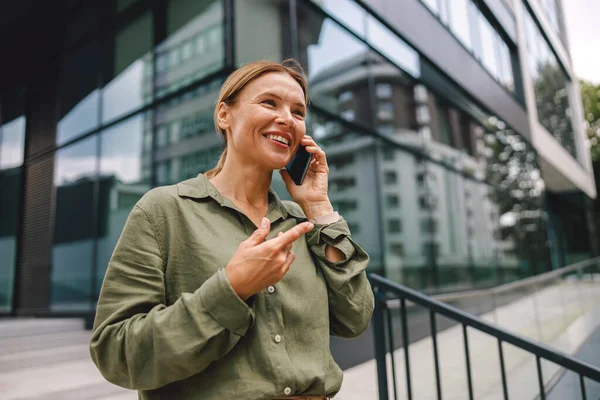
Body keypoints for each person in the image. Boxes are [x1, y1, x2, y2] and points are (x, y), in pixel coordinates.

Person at [89, 59, 374, 400]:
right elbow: (116, 353)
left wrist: (320, 208)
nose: (287, 119)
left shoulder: (304, 221)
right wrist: (231, 290)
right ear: (225, 115)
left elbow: (355, 318)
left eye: (298, 112)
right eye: (269, 103)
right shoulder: (163, 211)